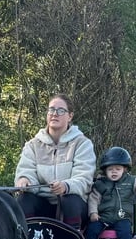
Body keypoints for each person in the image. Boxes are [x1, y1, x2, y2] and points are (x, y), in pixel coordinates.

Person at [14, 93, 96, 229]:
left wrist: (65, 186)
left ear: (70, 116)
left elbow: (84, 179)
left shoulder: (82, 143)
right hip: (43, 204)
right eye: (51, 109)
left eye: (60, 110)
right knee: (24, 200)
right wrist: (24, 181)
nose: (54, 114)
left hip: (73, 205)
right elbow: (26, 171)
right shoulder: (33, 145)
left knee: (70, 200)